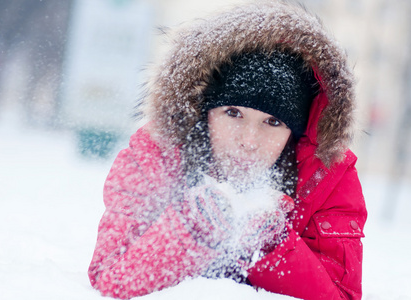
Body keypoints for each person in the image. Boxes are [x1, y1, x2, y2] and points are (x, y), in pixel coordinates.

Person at [88, 1, 367, 300]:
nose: (249, 141)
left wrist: (272, 245)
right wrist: (189, 230)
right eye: (233, 113)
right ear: (205, 112)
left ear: (294, 134)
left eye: (272, 122)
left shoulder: (326, 178)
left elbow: (340, 295)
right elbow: (110, 277)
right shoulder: (158, 153)